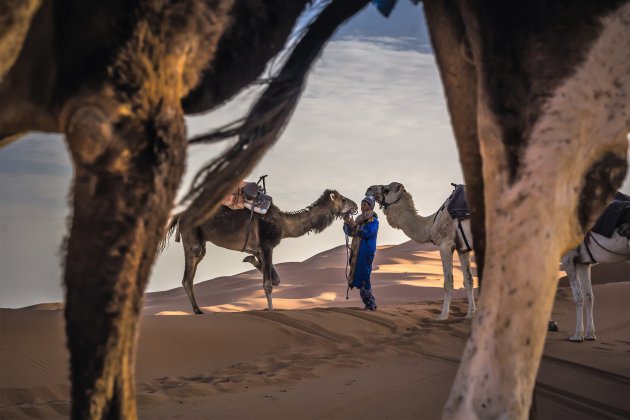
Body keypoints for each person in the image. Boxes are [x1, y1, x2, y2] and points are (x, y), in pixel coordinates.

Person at [343, 195, 379, 310]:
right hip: (357, 252)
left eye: (365, 204)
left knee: (364, 277)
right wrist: (347, 223)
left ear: (371, 206)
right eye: (362, 204)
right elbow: (351, 233)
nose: (362, 206)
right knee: (358, 276)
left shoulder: (373, 220)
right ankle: (369, 303)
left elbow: (367, 232)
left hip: (365, 252)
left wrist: (355, 226)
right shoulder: (359, 220)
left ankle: (370, 304)